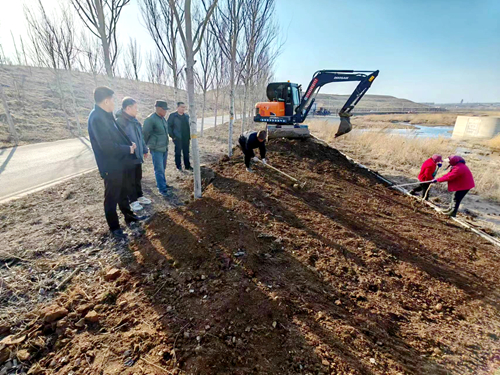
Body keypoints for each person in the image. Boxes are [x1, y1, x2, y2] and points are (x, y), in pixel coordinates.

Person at [88, 87, 145, 240]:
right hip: (110, 166)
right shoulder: (97, 118)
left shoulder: (107, 116)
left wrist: (130, 146)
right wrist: (128, 149)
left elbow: (117, 136)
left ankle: (129, 217)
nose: (114, 103)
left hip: (120, 163)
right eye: (112, 100)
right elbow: (106, 146)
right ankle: (115, 228)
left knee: (123, 193)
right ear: (106, 100)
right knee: (111, 197)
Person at [115, 97, 151, 211]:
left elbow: (141, 138)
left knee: (137, 177)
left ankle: (139, 196)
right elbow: (118, 141)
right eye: (135, 108)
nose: (137, 110)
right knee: (129, 179)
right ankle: (133, 201)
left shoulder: (135, 121)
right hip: (128, 156)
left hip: (137, 155)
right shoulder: (120, 122)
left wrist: (144, 149)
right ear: (128, 108)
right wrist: (128, 149)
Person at [143, 100, 170, 196]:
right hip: (156, 149)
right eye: (164, 109)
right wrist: (144, 148)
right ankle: (162, 189)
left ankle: (163, 183)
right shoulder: (150, 119)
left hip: (164, 148)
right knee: (159, 169)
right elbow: (145, 135)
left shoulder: (162, 118)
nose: (166, 112)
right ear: (158, 108)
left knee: (163, 168)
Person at [167, 102, 192, 172]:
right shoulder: (173, 116)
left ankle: (187, 166)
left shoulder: (186, 116)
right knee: (178, 152)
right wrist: (173, 136)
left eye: (184, 107)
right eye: (181, 107)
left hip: (186, 137)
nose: (183, 108)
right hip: (177, 137)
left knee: (186, 152)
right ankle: (178, 166)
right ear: (177, 107)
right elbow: (169, 126)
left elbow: (189, 126)